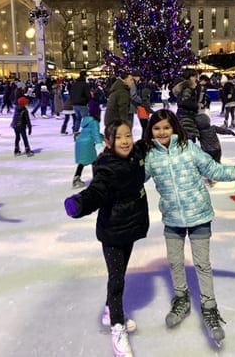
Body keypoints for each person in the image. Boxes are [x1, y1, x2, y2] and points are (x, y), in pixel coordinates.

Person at [141, 109, 235, 345]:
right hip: (172, 218)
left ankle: (209, 307)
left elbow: (215, 171)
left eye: (166, 127)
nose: (162, 132)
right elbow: (134, 179)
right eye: (157, 129)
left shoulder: (189, 149)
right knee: (175, 262)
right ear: (151, 132)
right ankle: (181, 299)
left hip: (199, 215)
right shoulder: (150, 156)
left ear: (174, 128)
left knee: (202, 264)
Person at [63, 119, 148, 357]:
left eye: (128, 135)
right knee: (117, 280)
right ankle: (117, 328)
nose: (125, 141)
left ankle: (111, 310)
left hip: (130, 227)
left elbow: (149, 140)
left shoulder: (136, 154)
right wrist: (80, 203)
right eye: (119, 137)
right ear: (109, 141)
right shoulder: (108, 167)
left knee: (120, 274)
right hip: (112, 231)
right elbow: (97, 191)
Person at [73, 100, 104, 188]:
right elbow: (95, 133)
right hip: (88, 144)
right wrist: (99, 142)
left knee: (82, 162)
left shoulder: (87, 120)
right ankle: (96, 180)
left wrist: (102, 137)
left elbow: (89, 132)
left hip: (80, 142)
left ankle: (76, 178)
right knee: (94, 161)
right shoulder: (94, 122)